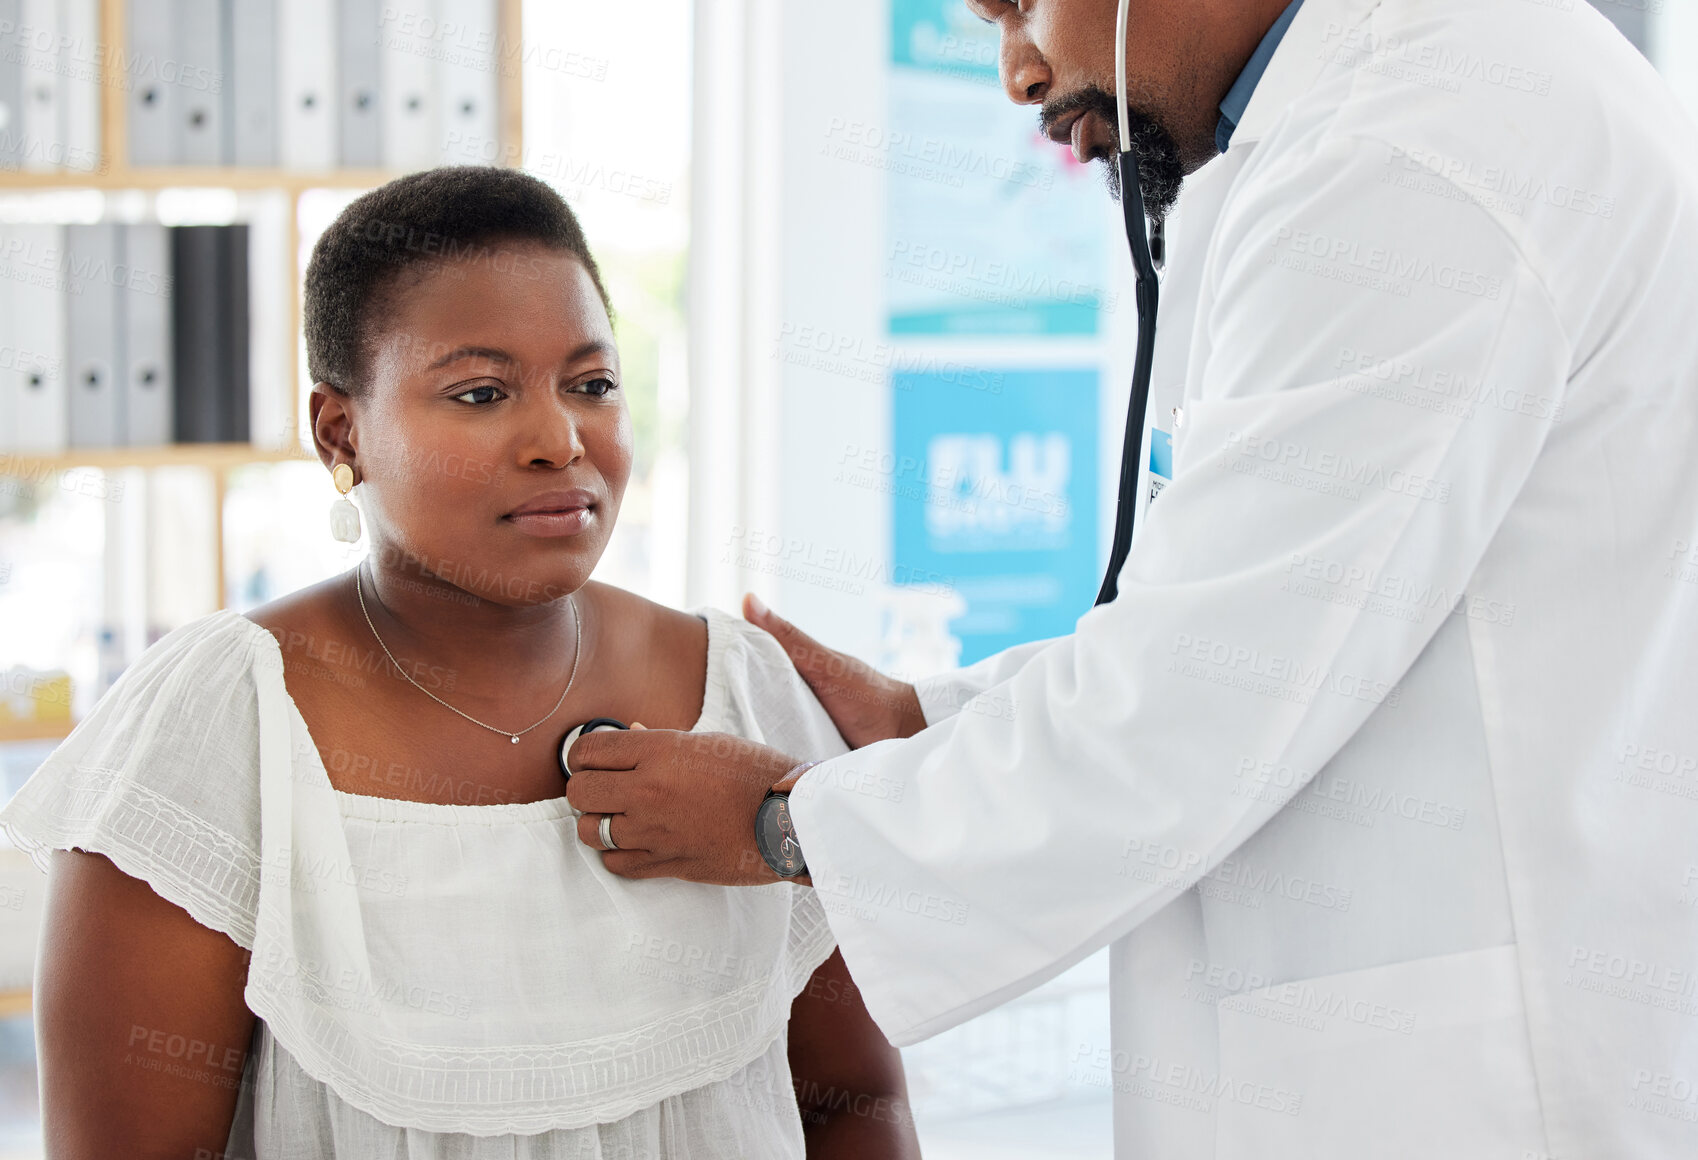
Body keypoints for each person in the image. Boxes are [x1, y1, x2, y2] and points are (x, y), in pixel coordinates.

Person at [564, 0, 1698, 1155]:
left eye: (1015, 6)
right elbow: (1227, 624)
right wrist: (929, 721)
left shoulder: (1414, 152)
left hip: (1481, 1089)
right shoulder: (1351, 125)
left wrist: (782, 825)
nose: (1019, 74)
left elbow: (1198, 708)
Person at [0, 167, 919, 1160]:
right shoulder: (226, 721)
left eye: (593, 384)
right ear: (340, 431)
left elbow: (852, 1100)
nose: (560, 438)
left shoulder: (749, 689)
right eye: (482, 392)